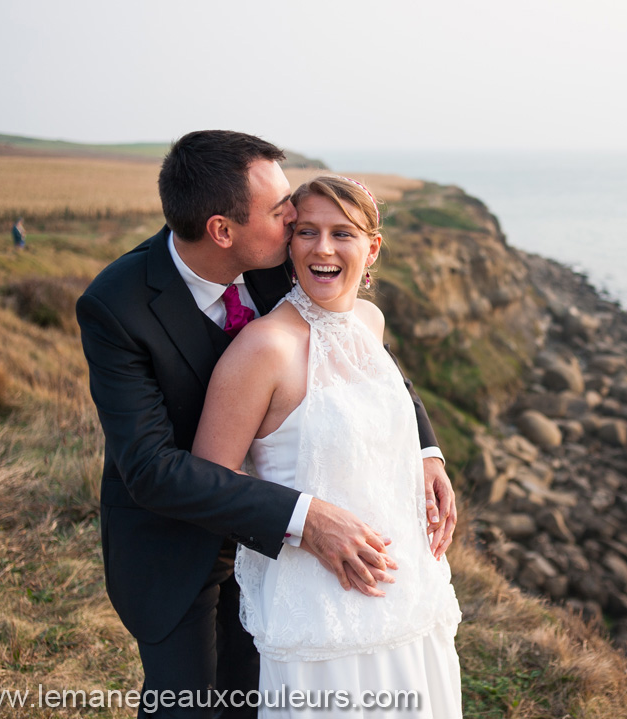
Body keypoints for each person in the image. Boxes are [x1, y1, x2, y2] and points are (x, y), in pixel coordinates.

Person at [76, 131, 457, 718]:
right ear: (223, 231)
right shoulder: (116, 306)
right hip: (181, 547)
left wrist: (427, 450)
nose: (295, 221)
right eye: (282, 213)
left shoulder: (280, 259)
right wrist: (305, 518)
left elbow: (355, 352)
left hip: (288, 561)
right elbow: (152, 470)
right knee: (192, 708)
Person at [192, 176, 462, 718]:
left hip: (404, 589)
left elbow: (380, 414)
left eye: (342, 233)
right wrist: (304, 523)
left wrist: (425, 455)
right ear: (289, 244)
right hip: (318, 610)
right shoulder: (264, 347)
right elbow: (207, 482)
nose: (322, 248)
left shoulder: (369, 321)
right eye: (307, 232)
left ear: (372, 247)